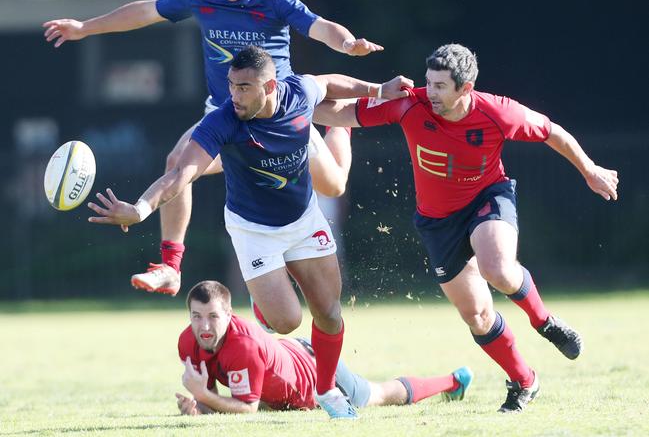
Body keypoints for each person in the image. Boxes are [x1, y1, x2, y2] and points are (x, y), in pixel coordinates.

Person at [87, 46, 410, 418]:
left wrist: (379, 89)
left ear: (270, 85)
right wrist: (140, 209)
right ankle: (265, 302)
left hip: (304, 221)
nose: (234, 95)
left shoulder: (298, 92)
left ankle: (327, 392)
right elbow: (181, 174)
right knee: (286, 322)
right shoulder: (223, 120)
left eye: (243, 87)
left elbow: (328, 83)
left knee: (330, 313)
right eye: (231, 85)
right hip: (254, 231)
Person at [43, 0, 383, 297]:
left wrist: (346, 43)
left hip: (281, 119)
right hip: (227, 116)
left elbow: (318, 25)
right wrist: (85, 27)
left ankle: (340, 126)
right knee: (178, 163)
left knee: (335, 185)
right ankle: (170, 267)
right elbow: (146, 11)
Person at [313, 43, 619, 413]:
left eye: (441, 86)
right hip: (437, 221)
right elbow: (342, 113)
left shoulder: (498, 112)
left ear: (466, 88)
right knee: (476, 315)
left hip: (487, 198)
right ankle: (525, 380)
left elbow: (553, 132)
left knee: (498, 269)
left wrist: (590, 170)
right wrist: (291, 106)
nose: (431, 93)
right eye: (429, 82)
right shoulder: (410, 103)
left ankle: (544, 322)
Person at [174, 280, 473, 415]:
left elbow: (247, 409)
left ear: (229, 314)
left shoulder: (243, 346)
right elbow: (213, 400)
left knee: (377, 395)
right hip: (286, 361)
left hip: (315, 372)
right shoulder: (188, 341)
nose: (205, 327)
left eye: (213, 317)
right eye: (197, 317)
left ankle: (453, 381)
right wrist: (198, 406)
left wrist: (201, 397)